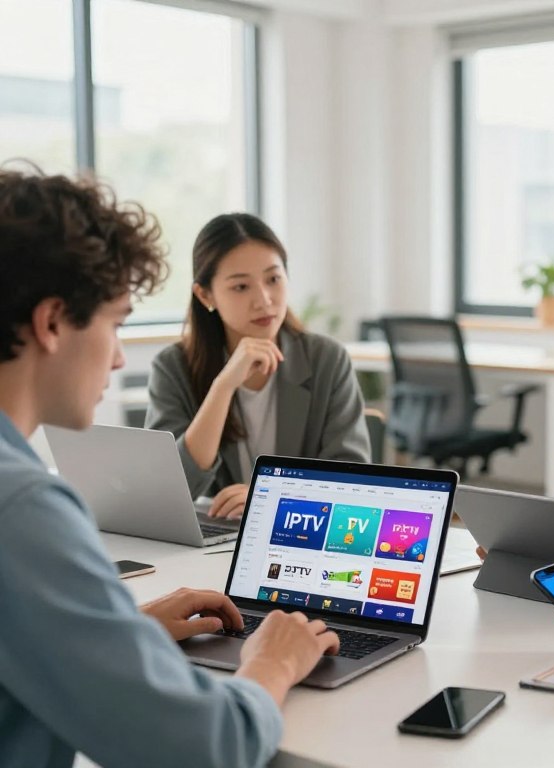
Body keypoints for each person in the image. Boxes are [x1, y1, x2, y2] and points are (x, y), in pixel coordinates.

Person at [0, 167, 340, 767]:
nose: (117, 356)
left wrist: (119, 630)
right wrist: (273, 662)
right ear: (52, 323)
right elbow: (207, 749)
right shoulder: (24, 508)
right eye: (117, 323)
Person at [145, 213, 370, 519]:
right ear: (205, 294)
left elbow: (352, 481)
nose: (263, 300)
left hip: (301, 538)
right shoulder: (172, 367)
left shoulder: (326, 360)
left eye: (273, 279)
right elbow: (165, 491)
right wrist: (223, 387)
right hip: (211, 545)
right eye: (241, 287)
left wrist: (268, 499)